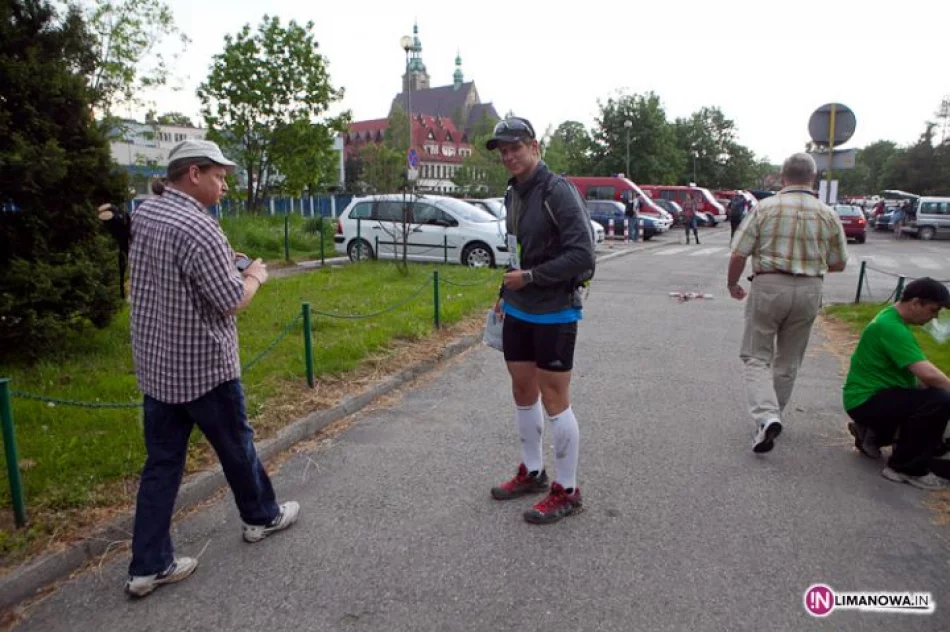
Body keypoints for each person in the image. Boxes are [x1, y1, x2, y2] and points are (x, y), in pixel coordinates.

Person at [126, 140, 299, 598]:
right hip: (204, 368)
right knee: (237, 447)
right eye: (218, 175)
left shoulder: (147, 210)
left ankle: (148, 565)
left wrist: (227, 262)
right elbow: (229, 301)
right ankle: (261, 517)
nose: (224, 183)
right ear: (193, 174)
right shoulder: (199, 228)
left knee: (162, 464)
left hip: (158, 366)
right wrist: (254, 274)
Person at [485, 116, 595, 525]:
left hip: (555, 310)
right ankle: (532, 471)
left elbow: (583, 256)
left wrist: (530, 278)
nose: (509, 156)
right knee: (521, 389)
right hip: (518, 309)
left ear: (534, 146)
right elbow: (518, 248)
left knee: (554, 398)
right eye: (502, 151)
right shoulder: (514, 191)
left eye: (515, 147)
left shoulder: (558, 191)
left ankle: (567, 489)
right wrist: (505, 292)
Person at [726, 152, 848, 453]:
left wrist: (732, 283)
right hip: (809, 289)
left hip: (768, 284)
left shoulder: (765, 208)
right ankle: (772, 417)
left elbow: (739, 253)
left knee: (756, 355)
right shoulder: (827, 213)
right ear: (813, 178)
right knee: (788, 359)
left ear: (783, 178)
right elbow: (839, 263)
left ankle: (766, 416)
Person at [843, 278, 950, 490]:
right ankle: (904, 469)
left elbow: (918, 377)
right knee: (939, 400)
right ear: (915, 303)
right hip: (867, 400)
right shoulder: (892, 328)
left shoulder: (891, 319)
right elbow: (927, 374)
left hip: (868, 397)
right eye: (933, 310)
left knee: (931, 396)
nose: (935, 317)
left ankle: (873, 433)